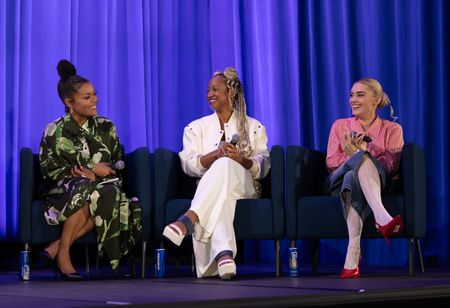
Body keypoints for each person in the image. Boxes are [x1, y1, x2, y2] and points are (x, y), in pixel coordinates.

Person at [162, 67, 270, 280]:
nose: (209, 94)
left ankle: (189, 219)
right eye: (208, 90)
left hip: (246, 185)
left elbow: (264, 166)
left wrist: (240, 159)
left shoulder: (253, 126)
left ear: (231, 93)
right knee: (222, 191)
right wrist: (214, 154)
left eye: (215, 89)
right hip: (211, 188)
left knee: (227, 164)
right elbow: (188, 164)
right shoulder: (196, 127)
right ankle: (224, 255)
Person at [38, 59, 142, 280]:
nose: (95, 100)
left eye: (95, 94)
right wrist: (83, 171)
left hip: (102, 185)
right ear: (69, 102)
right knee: (84, 187)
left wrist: (99, 172)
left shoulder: (107, 126)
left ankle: (56, 247)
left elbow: (117, 164)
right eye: (87, 97)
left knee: (106, 191)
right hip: (64, 189)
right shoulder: (54, 130)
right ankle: (64, 254)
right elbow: (48, 171)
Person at [326, 77, 404, 279]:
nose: (353, 100)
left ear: (376, 99)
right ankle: (381, 216)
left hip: (376, 183)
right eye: (351, 95)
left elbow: (391, 167)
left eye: (360, 95)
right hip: (336, 181)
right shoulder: (340, 126)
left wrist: (365, 151)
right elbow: (331, 162)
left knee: (353, 176)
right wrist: (354, 154)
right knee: (353, 166)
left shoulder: (392, 129)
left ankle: (353, 251)